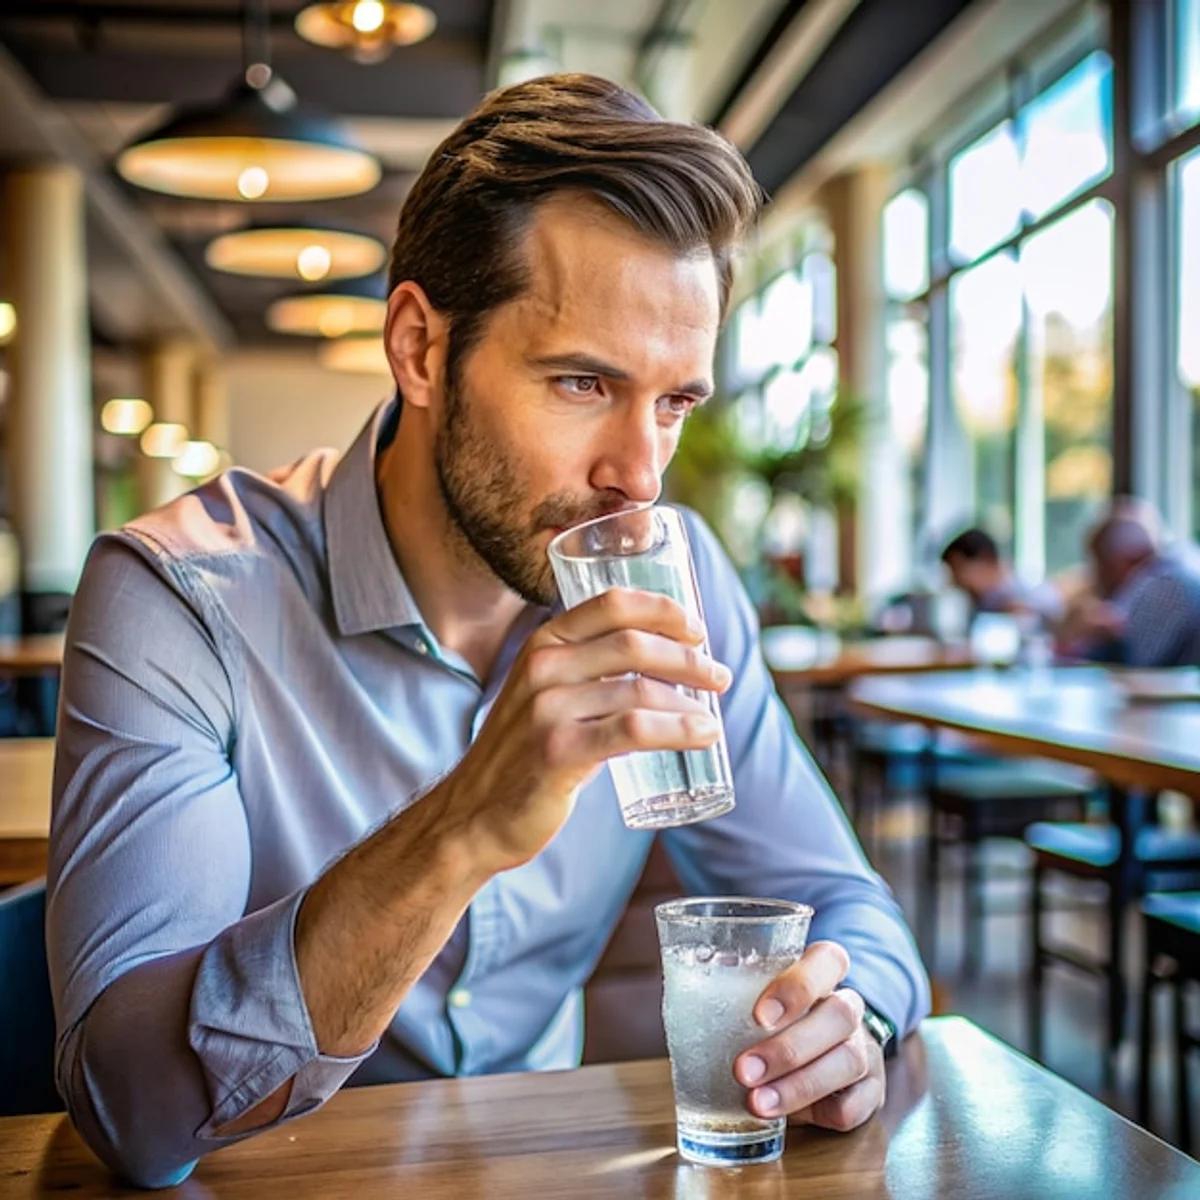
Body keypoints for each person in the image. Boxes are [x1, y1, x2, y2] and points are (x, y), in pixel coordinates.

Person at [46, 75, 929, 1188]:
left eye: (673, 402)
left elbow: (847, 902)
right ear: (419, 348)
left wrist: (847, 1017)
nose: (639, 474)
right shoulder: (178, 596)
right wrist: (463, 826)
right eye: (581, 382)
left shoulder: (680, 572)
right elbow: (132, 1112)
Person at [1069, 509, 1200, 667]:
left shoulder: (1166, 584)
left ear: (1119, 560)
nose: (1097, 577)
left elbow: (1142, 666)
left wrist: (1108, 639)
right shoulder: (1174, 570)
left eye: (1100, 563)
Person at [939, 527, 1062, 626]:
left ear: (986, 560)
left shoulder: (1026, 589)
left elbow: (1055, 613)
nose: (955, 580)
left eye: (959, 569)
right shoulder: (979, 602)